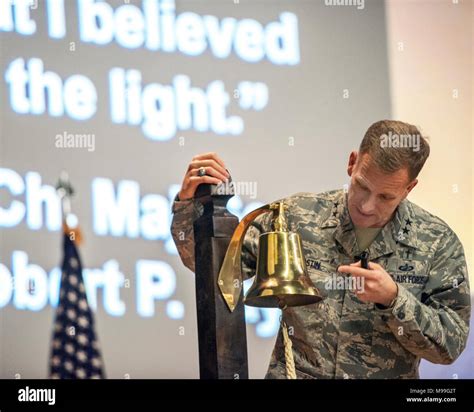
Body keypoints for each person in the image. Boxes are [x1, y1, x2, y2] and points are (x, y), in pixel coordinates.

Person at [170, 120, 471, 379]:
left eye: (385, 197)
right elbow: (216, 268)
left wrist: (394, 300)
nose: (367, 206)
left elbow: (449, 346)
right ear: (352, 162)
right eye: (362, 186)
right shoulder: (294, 217)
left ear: (409, 188)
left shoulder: (437, 243)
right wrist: (189, 206)